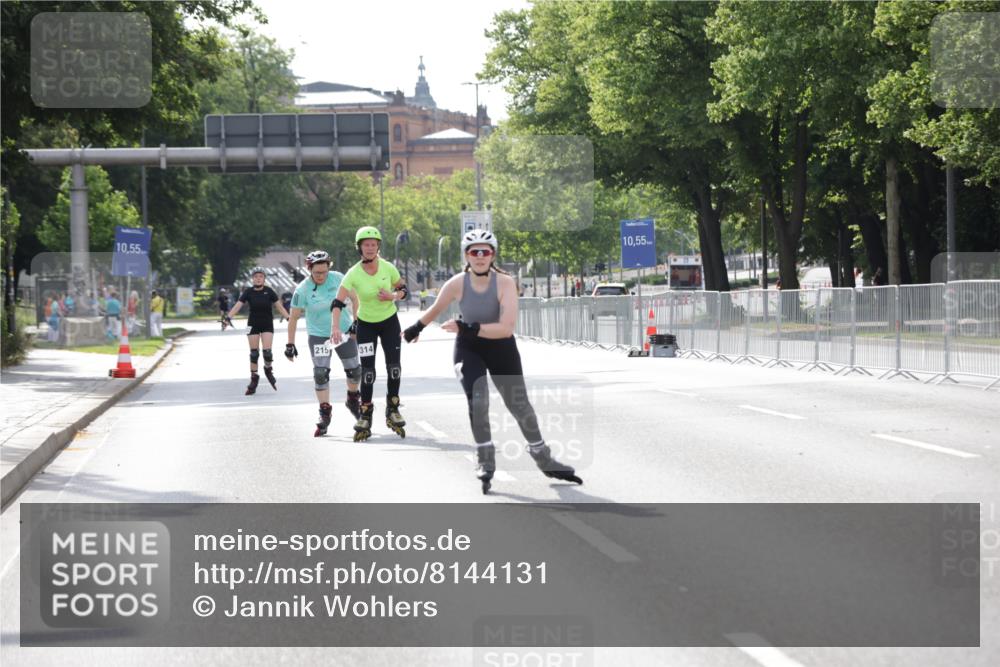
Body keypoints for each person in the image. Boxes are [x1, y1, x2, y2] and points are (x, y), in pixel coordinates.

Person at [402, 229, 583, 494]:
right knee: (478, 399)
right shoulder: (457, 283)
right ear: (466, 255)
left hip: (500, 347)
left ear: (493, 255)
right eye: (473, 252)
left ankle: (542, 456)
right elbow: (435, 308)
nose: (479, 256)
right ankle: (485, 458)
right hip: (469, 348)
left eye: (485, 252)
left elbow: (506, 328)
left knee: (519, 404)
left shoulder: (506, 283)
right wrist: (414, 328)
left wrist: (469, 327)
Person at [330, 226, 408, 442]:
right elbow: (337, 302)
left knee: (394, 368)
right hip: (366, 325)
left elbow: (404, 290)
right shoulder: (353, 273)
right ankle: (365, 413)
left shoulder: (388, 267)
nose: (371, 248)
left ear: (378, 247)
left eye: (374, 245)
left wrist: (392, 295)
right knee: (368, 371)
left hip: (389, 322)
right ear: (360, 248)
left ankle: (393, 408)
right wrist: (335, 327)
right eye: (366, 245)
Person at [286, 250, 362, 436]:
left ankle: (352, 399)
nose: (321, 276)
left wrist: (356, 322)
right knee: (320, 373)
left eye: (324, 272)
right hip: (319, 335)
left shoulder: (337, 279)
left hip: (343, 331)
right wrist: (290, 344)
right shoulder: (302, 289)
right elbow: (293, 318)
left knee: (354, 371)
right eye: (317, 273)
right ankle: (324, 412)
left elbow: (354, 298)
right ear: (309, 269)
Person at [228, 267, 289, 395]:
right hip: (252, 324)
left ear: (264, 279)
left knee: (267, 353)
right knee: (254, 354)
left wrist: (289, 318)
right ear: (252, 279)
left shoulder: (269, 291)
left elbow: (279, 306)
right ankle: (254, 379)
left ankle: (268, 369)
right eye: (255, 277)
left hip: (267, 324)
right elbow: (238, 305)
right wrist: (228, 317)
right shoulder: (248, 292)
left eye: (260, 276)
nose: (258, 279)